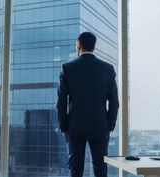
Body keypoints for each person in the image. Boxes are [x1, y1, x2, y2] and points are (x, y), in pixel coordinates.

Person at [57, 32, 119, 177]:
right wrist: (109, 125)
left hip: (75, 126)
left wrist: (64, 125)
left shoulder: (67, 68)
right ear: (94, 47)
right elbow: (114, 102)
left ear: (79, 44)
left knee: (75, 170)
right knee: (100, 169)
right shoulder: (107, 69)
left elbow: (61, 101)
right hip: (100, 125)